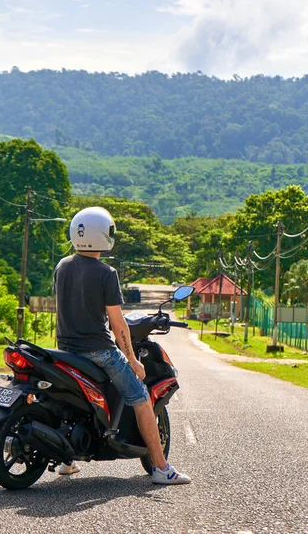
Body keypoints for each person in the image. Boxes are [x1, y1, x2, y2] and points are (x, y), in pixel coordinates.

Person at [53, 206, 191, 485]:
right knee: (140, 397)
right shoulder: (106, 273)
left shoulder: (62, 266)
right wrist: (133, 360)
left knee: (64, 397)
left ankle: (66, 462)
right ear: (104, 234)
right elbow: (117, 324)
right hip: (99, 351)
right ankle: (162, 469)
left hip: (64, 349)